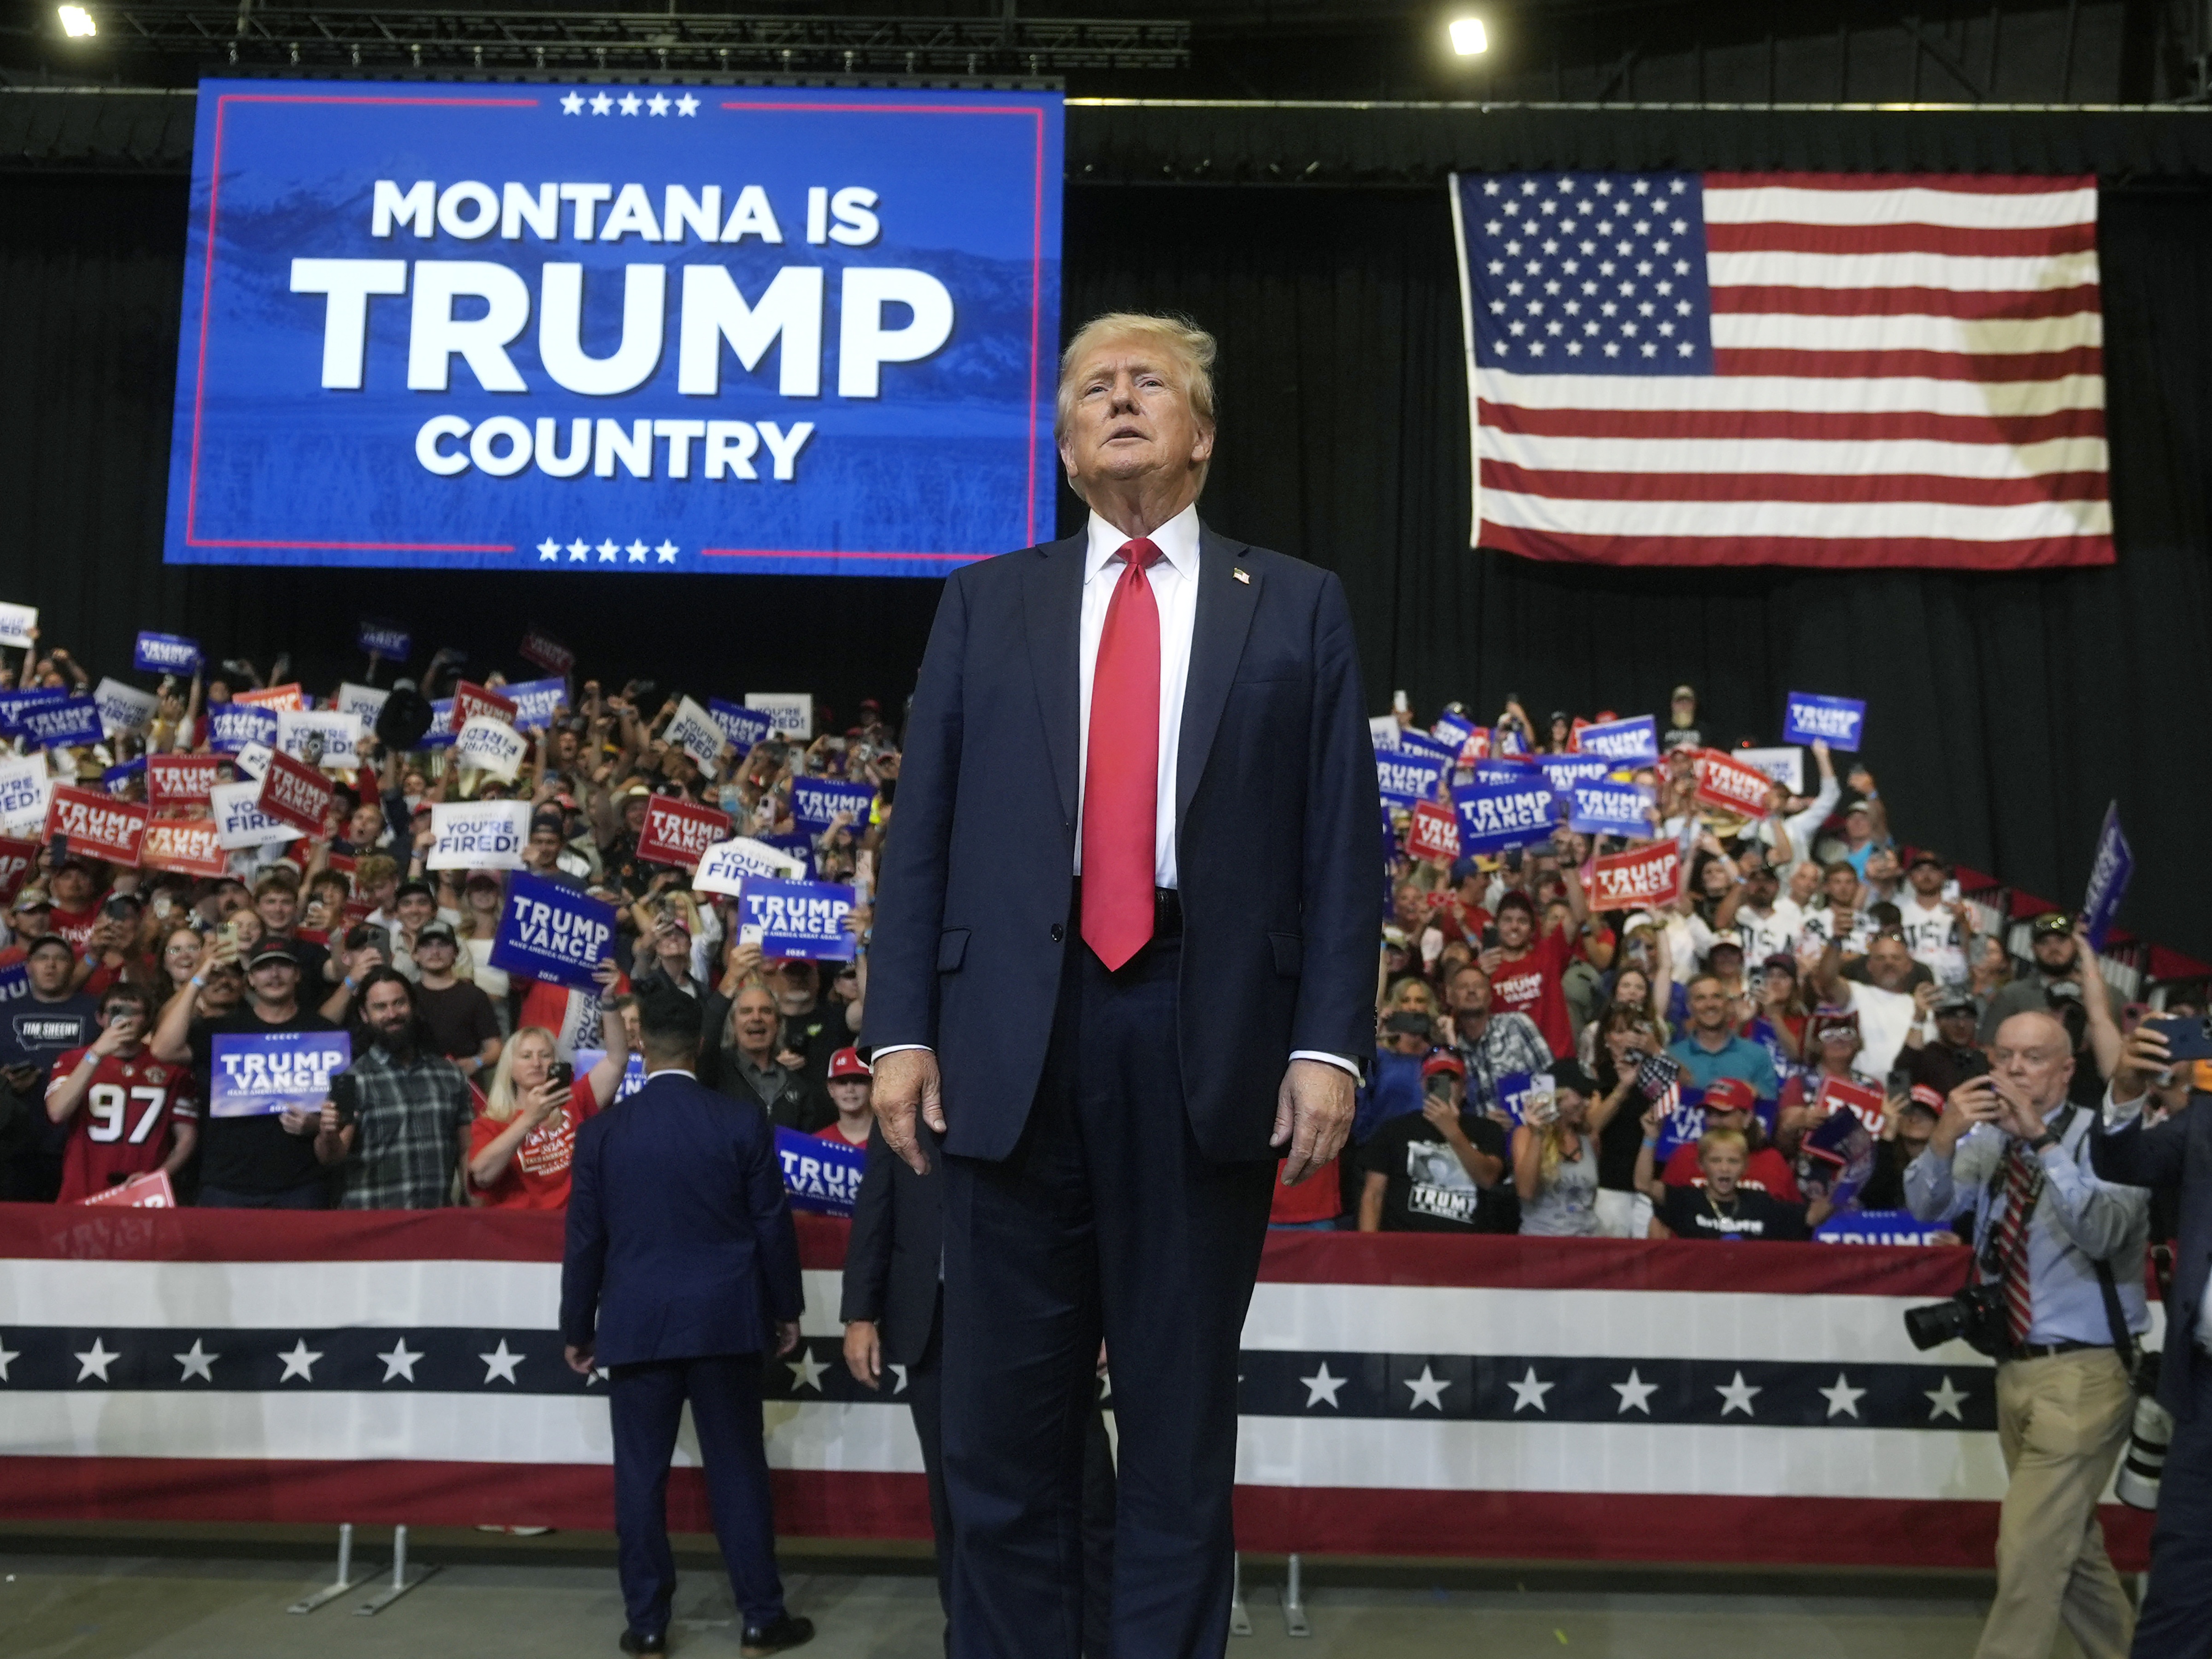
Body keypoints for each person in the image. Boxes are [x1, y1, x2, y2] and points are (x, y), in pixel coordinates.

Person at [867, 312, 1376, 1659]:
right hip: (1005, 1049)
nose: (1122, 397)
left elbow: (1338, 845)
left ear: (1202, 434)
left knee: (1175, 1430)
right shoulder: (988, 601)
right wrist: (899, 1029)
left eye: (1153, 381)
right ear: (1063, 441)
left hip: (1202, 1045)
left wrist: (1328, 1045)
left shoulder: (1299, 604)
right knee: (997, 1438)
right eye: (1095, 384)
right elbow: (920, 832)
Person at [559, 988, 811, 1658]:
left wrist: (576, 1328)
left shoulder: (602, 1133)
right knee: (738, 1473)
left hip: (637, 1326)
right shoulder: (739, 1121)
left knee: (640, 1480)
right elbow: (772, 1229)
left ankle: (646, 1626)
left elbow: (585, 1241)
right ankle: (761, 1618)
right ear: (700, 1047)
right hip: (726, 1322)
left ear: (642, 1047)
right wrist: (787, 1310)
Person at [1906, 1010, 2150, 1659]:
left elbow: (2103, 1232)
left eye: (2033, 1057)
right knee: (2070, 1552)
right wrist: (1941, 1142)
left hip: (2088, 1372)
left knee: (2026, 1553)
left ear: (2067, 1070)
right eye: (2003, 1056)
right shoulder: (1988, 1139)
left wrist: (2043, 1140)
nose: (2013, 1070)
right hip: (2013, 1365)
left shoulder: (2114, 1138)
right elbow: (1927, 1208)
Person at [842, 1117, 1119, 1659]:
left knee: (1084, 1493)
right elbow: (877, 1205)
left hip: (1044, 1314)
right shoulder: (901, 1095)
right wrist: (860, 1314)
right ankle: (971, 1640)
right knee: (953, 1502)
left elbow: (1098, 1206)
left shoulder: (1038, 1078)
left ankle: (1101, 1640)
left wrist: (1107, 1314)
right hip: (935, 1324)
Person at [2089, 1018, 2212, 1659]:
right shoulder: (2206, 1124)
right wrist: (2129, 1085)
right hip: (2205, 1392)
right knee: (2185, 1577)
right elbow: (2124, 1157)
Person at [151, 939, 341, 1209]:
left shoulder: (324, 1033)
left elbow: (340, 1115)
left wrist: (315, 1125)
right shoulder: (220, 1029)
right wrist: (199, 977)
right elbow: (162, 1049)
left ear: (298, 975)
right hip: (226, 1185)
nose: (274, 975)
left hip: (301, 1185)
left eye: (283, 966)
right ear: (250, 979)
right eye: (264, 968)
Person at [315, 968, 473, 1209]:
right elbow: (332, 1157)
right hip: (373, 1226)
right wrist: (327, 1134)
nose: (392, 1014)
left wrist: (474, 1208)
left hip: (436, 1223)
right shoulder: (352, 1081)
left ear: (413, 1007)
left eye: (399, 1003)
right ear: (364, 1015)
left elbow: (466, 1150)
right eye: (380, 1007)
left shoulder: (449, 1075)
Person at [43, 984, 198, 1202]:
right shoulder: (73, 1060)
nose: (124, 1020)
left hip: (145, 1191)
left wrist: (159, 1176)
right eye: (116, 1011)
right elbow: (57, 1112)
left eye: (134, 1013)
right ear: (100, 1018)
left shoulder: (171, 1066)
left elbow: (186, 1137)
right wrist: (96, 1054)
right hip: (83, 1188)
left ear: (147, 1020)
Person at [467, 1025, 630, 1209]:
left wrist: (609, 1003)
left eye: (545, 1056)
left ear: (556, 1062)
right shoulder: (491, 1123)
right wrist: (529, 1120)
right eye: (526, 1056)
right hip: (519, 1227)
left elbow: (617, 1061)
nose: (536, 1064)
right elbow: (481, 1176)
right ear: (510, 1067)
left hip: (572, 1222)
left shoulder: (573, 1100)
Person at [1357, 1051, 1512, 1232]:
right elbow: (1373, 1195)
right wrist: (1368, 1251)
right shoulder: (1394, 1130)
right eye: (1435, 1080)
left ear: (1464, 1089)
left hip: (1466, 1249)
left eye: (1451, 1079)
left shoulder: (1487, 1130)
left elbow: (1488, 1179)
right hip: (1404, 1247)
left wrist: (1452, 1131)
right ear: (1424, 1085)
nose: (1443, 1086)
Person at [0, 933, 101, 1199]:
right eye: (42, 958)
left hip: (79, 1141)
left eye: (60, 959)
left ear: (72, 966)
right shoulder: (4, 1012)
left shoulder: (96, 1011)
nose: (51, 965)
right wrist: (5, 1082)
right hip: (17, 1144)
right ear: (29, 967)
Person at [1648, 1127, 1823, 1240]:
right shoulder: (1688, 1200)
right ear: (1701, 1165)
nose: (1725, 1168)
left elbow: (1812, 1216)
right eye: (1716, 1161)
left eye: (1733, 1162)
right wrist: (1649, 1139)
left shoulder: (1759, 1203)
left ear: (1745, 1167)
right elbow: (1644, 1185)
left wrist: (1848, 1178)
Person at [1980, 911, 2126, 1044]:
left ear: (2076, 943)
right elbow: (1988, 1047)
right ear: (2033, 948)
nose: (2054, 949)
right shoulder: (2012, 996)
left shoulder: (2110, 996)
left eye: (2061, 940)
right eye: (2044, 943)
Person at [1440, 961, 1551, 1118]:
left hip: (1535, 1131)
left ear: (1490, 997)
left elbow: (1550, 1076)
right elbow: (1449, 1109)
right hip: (1482, 1139)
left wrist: (1537, 1120)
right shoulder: (1449, 1047)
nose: (1471, 991)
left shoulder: (1517, 1024)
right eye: (1463, 987)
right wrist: (1487, 1127)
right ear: (1450, 997)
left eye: (1478, 986)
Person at [1510, 1061, 1607, 1236]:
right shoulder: (1525, 1135)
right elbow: (1525, 1192)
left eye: (1589, 1095)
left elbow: (1590, 1197)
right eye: (1582, 1094)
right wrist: (1538, 1134)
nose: (1587, 1102)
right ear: (1558, 1095)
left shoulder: (1589, 1138)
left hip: (1587, 1242)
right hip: (1543, 1244)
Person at [406, 920, 502, 1081]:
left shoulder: (475, 996)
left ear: (456, 953)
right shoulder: (405, 996)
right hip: (417, 1084)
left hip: (465, 1087)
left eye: (443, 945)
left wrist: (476, 1062)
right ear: (415, 954)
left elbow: (496, 1048)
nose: (435, 952)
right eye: (427, 945)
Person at [1667, 974, 1779, 1105]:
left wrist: (1754, 1094)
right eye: (1700, 998)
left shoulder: (1758, 1055)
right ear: (1689, 1007)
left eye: (1717, 997)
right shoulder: (1673, 1056)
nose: (1710, 1005)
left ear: (1728, 1004)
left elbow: (1769, 1111)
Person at [814, 1047, 874, 1146]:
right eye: (842, 1082)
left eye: (859, 1081)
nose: (850, 1089)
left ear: (872, 1086)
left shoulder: (894, 1139)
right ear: (831, 1089)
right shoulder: (817, 1143)